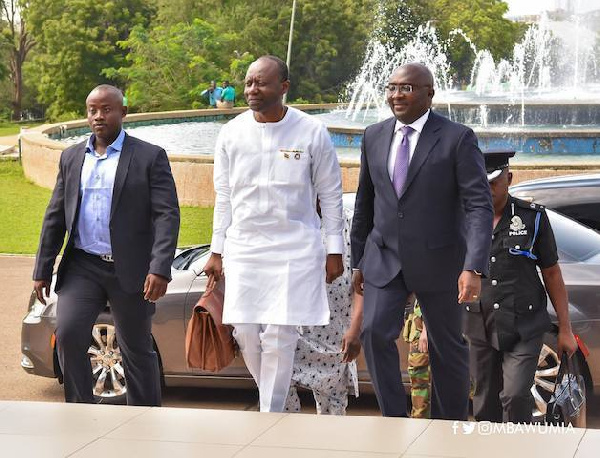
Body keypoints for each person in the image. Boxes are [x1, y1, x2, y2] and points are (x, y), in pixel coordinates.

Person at [350, 62, 493, 420]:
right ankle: (395, 422)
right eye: (392, 87)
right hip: (385, 257)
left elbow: (478, 205)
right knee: (373, 333)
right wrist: (358, 260)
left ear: (429, 93)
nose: (397, 95)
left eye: (407, 88)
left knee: (447, 349)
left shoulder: (458, 138)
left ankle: (448, 427)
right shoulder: (373, 135)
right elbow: (364, 202)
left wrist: (473, 266)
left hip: (440, 260)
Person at [203, 55, 344, 413]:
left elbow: (330, 194)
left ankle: (270, 416)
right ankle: (274, 403)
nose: (252, 89)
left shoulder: (312, 131)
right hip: (246, 248)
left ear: (283, 87)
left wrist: (334, 250)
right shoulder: (231, 133)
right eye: (249, 82)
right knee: (246, 334)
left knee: (280, 337)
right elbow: (224, 197)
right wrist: (216, 250)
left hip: (295, 249)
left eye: (261, 83)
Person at [32, 84, 180, 406]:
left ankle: (144, 417)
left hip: (132, 269)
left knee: (137, 348)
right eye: (92, 110)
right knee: (69, 335)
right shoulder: (71, 157)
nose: (98, 116)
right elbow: (55, 215)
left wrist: (159, 268)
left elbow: (167, 215)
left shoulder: (149, 156)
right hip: (83, 266)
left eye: (106, 109)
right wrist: (42, 269)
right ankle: (80, 411)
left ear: (123, 113)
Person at [464, 150, 578, 423]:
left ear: (509, 178)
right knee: (483, 400)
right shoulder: (464, 220)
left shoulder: (532, 218)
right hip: (479, 324)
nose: (487, 189)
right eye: (481, 182)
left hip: (523, 325)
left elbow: (551, 273)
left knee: (515, 396)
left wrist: (565, 329)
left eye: (493, 181)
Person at [285, 206, 362, 415]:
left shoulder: (348, 221)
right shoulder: (291, 217)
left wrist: (355, 329)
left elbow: (361, 282)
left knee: (333, 415)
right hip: (293, 333)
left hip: (335, 336)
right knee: (280, 400)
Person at [402, 297, 430, 418]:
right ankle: (419, 422)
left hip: (427, 326)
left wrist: (426, 329)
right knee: (418, 380)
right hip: (417, 324)